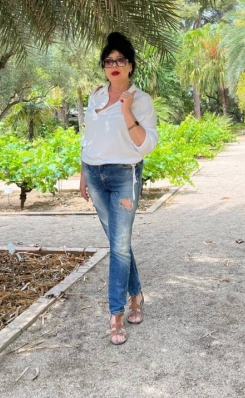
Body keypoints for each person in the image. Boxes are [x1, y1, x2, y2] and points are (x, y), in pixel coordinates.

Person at [80, 32, 158, 345]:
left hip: (124, 174)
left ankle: (116, 313)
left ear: (130, 65)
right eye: (108, 61)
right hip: (94, 174)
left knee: (119, 245)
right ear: (103, 66)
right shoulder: (96, 96)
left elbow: (146, 145)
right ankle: (136, 294)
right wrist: (83, 174)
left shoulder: (142, 100)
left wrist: (127, 110)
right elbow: (88, 135)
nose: (114, 65)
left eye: (120, 60)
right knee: (118, 243)